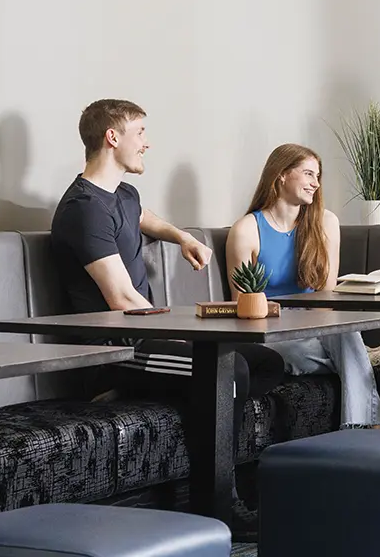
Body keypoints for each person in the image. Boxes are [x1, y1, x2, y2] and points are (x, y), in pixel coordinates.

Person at [49, 99, 285, 531]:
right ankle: (218, 503)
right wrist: (187, 327)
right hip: (114, 351)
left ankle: (146, 393)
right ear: (112, 137)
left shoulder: (121, 194)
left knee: (268, 362)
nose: (147, 143)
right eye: (140, 132)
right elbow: (121, 298)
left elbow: (141, 216)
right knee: (229, 374)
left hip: (146, 339)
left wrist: (181, 238)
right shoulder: (82, 209)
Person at [225, 144, 380, 428]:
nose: (315, 183)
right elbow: (243, 303)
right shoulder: (246, 229)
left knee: (346, 332)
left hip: (318, 321)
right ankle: (365, 358)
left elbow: (327, 294)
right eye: (308, 174)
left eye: (318, 176)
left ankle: (361, 429)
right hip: (272, 329)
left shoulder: (325, 222)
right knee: (305, 354)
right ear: (282, 175)